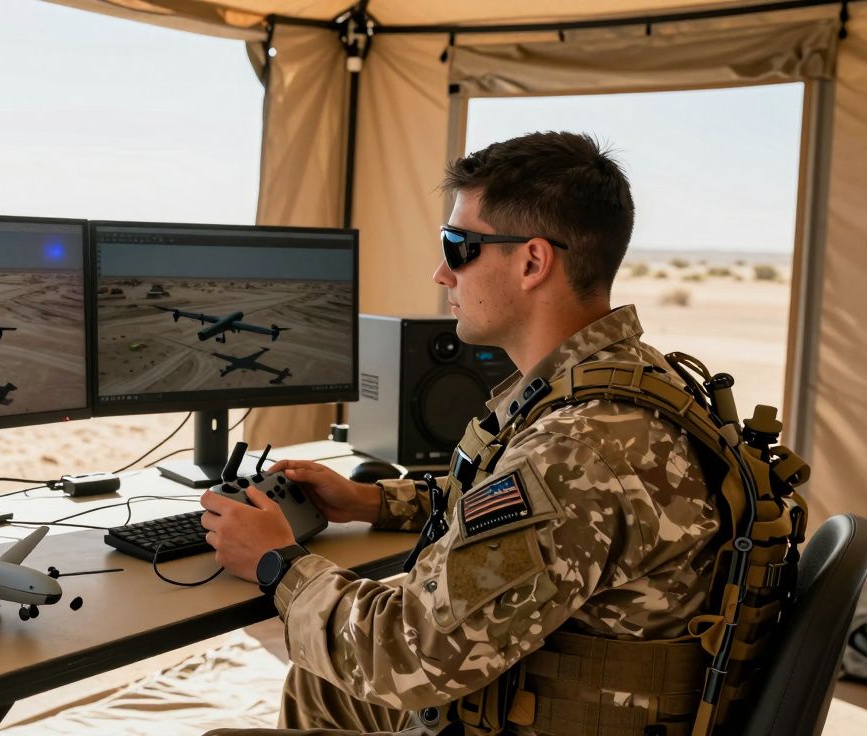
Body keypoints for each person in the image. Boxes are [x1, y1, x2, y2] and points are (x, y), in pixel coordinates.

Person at [199, 131, 722, 735]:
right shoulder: (634, 379)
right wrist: (373, 500)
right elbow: (522, 518)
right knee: (320, 679)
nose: (441, 272)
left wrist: (274, 562)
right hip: (588, 697)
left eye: (459, 245)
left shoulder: (577, 449)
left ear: (532, 261)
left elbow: (407, 655)